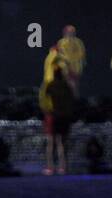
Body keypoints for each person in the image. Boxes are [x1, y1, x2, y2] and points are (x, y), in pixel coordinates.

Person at [40, 44, 76, 175]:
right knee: (62, 142)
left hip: (53, 115)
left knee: (51, 142)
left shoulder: (49, 84)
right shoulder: (67, 86)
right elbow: (71, 100)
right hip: (63, 116)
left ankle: (50, 167)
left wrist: (47, 110)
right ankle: (63, 167)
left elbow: (43, 99)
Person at [57, 25, 85, 94]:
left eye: (72, 32)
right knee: (65, 84)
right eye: (69, 32)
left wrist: (71, 60)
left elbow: (81, 54)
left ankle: (74, 99)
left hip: (75, 67)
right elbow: (59, 54)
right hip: (64, 67)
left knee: (74, 85)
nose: (71, 34)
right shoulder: (61, 42)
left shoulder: (78, 42)